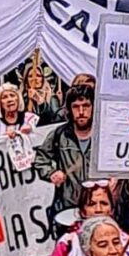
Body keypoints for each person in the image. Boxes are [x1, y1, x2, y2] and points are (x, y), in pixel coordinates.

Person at [38, 181, 116, 256]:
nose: (98, 210)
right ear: (82, 211)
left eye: (104, 203)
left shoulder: (125, 243)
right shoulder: (68, 243)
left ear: (111, 209)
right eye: (91, 204)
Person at [38, 77, 97, 234]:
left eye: (86, 106)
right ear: (69, 109)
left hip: (98, 208)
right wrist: (51, 173)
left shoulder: (103, 135)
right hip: (68, 207)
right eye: (76, 107)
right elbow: (40, 158)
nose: (81, 112)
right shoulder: (60, 134)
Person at [0, 81, 39, 173]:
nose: (9, 100)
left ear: (18, 98)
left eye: (12, 95)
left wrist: (32, 131)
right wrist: (3, 139)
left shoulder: (30, 119)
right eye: (4, 97)